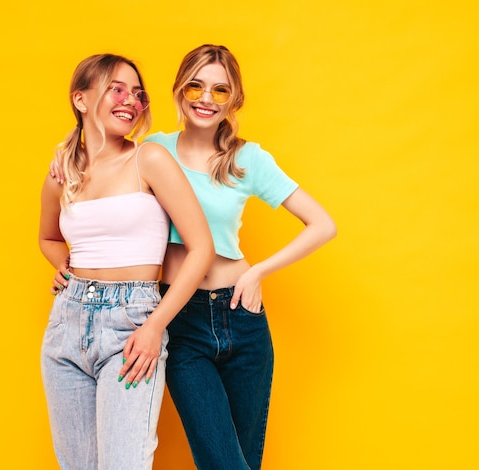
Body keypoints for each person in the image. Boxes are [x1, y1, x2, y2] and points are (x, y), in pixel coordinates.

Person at [51, 44, 336, 470]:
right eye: (196, 86)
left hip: (242, 317)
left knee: (241, 462)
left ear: (234, 98)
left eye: (220, 91)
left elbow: (322, 225)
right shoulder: (152, 150)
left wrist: (258, 271)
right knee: (220, 460)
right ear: (179, 90)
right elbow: (101, 154)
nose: (206, 99)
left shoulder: (248, 159)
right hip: (180, 317)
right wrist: (67, 149)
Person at [39, 53, 214, 470]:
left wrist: (155, 326)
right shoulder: (63, 171)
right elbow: (47, 237)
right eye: (117, 89)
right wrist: (61, 264)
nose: (131, 101)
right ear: (81, 99)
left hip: (131, 324)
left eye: (138, 94)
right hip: (66, 324)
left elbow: (201, 248)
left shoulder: (148, 160)